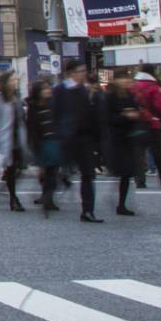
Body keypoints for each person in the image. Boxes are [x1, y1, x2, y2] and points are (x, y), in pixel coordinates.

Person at [53, 61, 102, 223]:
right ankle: (57, 183)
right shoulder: (60, 90)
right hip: (67, 138)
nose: (83, 74)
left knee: (88, 174)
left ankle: (88, 211)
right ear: (71, 73)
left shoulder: (84, 90)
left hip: (85, 138)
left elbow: (90, 114)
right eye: (80, 71)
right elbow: (55, 114)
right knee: (62, 169)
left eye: (84, 71)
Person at [0, 71, 31, 211]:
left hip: (18, 138)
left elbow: (21, 119)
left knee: (20, 168)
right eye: (12, 80)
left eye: (15, 80)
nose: (15, 82)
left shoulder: (16, 98)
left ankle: (8, 189)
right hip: (5, 139)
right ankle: (13, 198)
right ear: (5, 83)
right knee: (11, 169)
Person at [102, 72, 145, 216]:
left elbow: (137, 111)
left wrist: (134, 115)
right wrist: (124, 115)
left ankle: (121, 203)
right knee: (123, 172)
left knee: (127, 174)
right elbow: (107, 118)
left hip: (129, 138)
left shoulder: (130, 95)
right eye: (124, 79)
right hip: (116, 139)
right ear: (117, 80)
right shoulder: (110, 96)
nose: (127, 82)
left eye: (128, 79)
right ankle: (119, 202)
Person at [129, 64, 161, 188]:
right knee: (157, 152)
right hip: (152, 123)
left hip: (136, 122)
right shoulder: (154, 86)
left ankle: (140, 180)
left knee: (138, 153)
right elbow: (160, 106)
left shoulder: (133, 85)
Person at [25, 81, 62, 215]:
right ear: (38, 92)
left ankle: (48, 198)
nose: (48, 90)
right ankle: (47, 197)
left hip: (54, 140)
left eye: (48, 88)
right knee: (47, 172)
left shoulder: (53, 104)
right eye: (44, 89)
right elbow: (31, 127)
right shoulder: (33, 107)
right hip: (42, 142)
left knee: (52, 172)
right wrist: (33, 143)